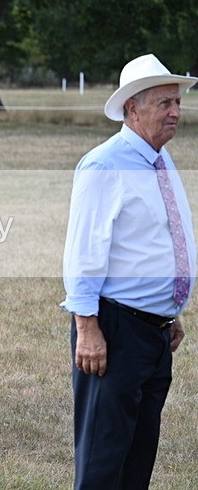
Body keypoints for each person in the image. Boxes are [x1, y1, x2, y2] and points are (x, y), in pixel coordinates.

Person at [61, 54, 196, 489]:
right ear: (132, 109)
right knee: (103, 462)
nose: (175, 111)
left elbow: (159, 238)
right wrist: (87, 326)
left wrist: (170, 311)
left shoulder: (160, 159)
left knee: (137, 461)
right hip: (114, 330)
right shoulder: (105, 164)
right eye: (164, 103)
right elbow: (83, 252)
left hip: (154, 334)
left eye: (177, 102)